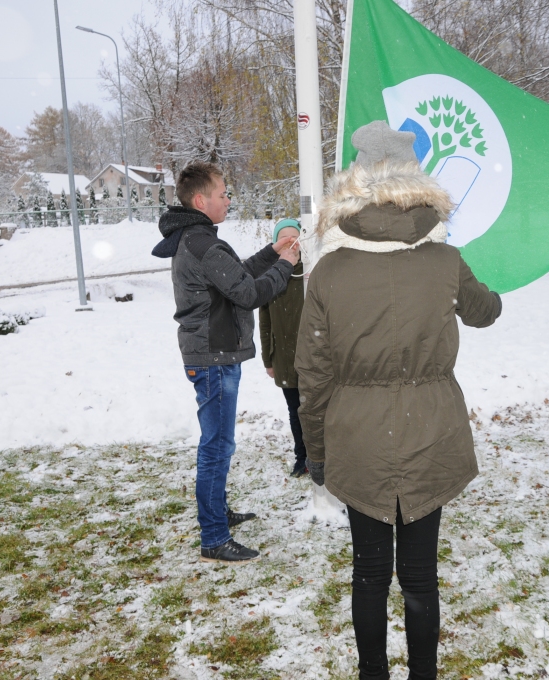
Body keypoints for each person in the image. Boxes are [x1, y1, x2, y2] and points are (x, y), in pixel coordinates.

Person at [295, 121, 502, 680]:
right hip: (430, 433)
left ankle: (373, 675)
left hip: (357, 440)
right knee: (419, 574)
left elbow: (311, 375)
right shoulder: (444, 261)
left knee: (368, 572)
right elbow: (486, 312)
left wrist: (318, 453)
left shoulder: (330, 271)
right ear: (418, 186)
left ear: (354, 188)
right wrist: (478, 287)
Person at [152, 161, 299, 564]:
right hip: (213, 359)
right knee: (217, 446)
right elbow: (250, 294)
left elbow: (237, 276)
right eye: (223, 193)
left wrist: (273, 251)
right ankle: (214, 536)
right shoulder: (202, 244)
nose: (229, 200)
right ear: (201, 200)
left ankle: (217, 513)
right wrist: (287, 264)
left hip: (213, 355)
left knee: (219, 444)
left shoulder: (201, 240)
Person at [259, 218, 308, 477]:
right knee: (295, 411)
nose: (291, 242)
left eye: (295, 236)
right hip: (285, 358)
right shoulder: (271, 274)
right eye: (285, 237)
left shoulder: (312, 271)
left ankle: (320, 457)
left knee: (317, 409)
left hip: (313, 357)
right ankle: (302, 457)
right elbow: (265, 322)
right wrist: (269, 359)